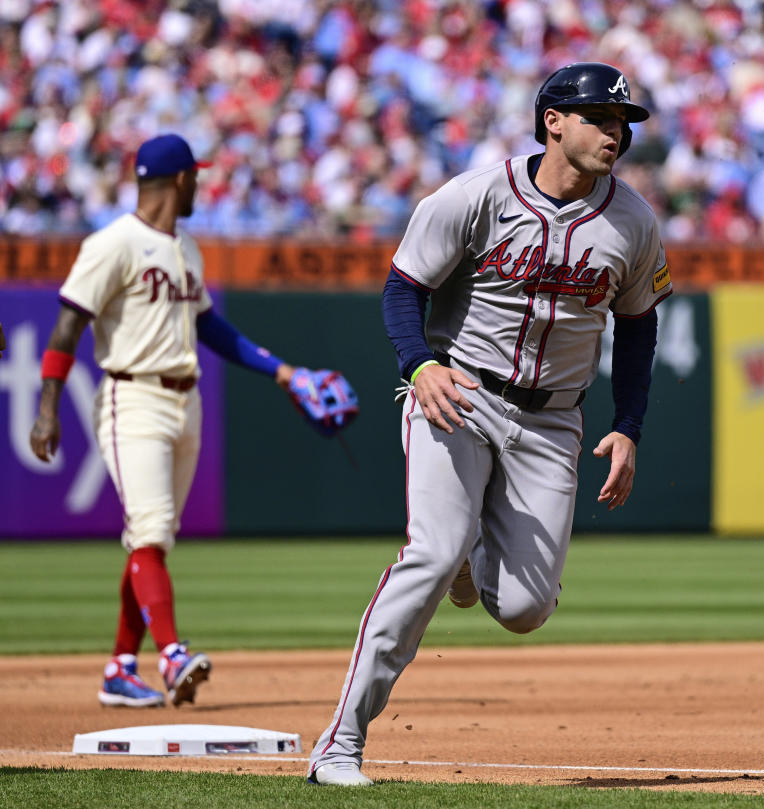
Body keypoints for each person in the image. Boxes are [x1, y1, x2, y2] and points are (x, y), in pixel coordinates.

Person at [307, 62, 673, 786]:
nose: (615, 133)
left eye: (623, 121)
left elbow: (638, 328)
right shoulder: (477, 194)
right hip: (460, 394)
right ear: (553, 122)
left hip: (553, 421)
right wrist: (419, 366)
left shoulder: (632, 220)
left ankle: (474, 558)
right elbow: (402, 286)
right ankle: (339, 746)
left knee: (527, 608)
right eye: (601, 117)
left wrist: (628, 423)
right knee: (432, 553)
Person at [29, 134, 297, 708]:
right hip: (134, 397)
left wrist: (281, 372)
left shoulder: (186, 247)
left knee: (153, 540)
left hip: (186, 399)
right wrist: (48, 408)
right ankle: (171, 653)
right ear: (180, 180)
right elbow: (65, 329)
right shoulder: (113, 244)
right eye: (195, 176)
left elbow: (212, 331)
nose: (199, 184)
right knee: (150, 529)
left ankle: (120, 667)